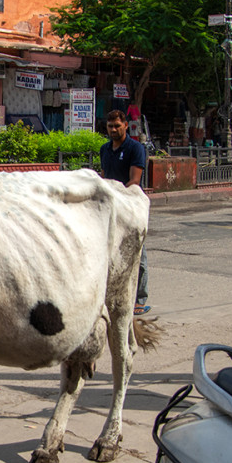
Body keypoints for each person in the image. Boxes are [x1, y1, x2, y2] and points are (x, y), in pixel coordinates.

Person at [100, 110, 150, 315]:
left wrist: (117, 199)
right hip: (110, 207)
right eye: (110, 126)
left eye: (117, 126)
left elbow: (134, 181)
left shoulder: (135, 148)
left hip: (128, 206)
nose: (113, 129)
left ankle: (140, 298)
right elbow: (104, 177)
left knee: (138, 255)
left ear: (126, 126)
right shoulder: (105, 149)